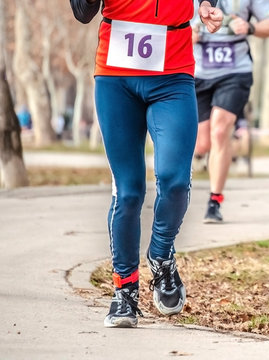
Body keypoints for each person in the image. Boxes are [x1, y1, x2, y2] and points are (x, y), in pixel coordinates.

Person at [70, 0, 223, 328]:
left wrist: (209, 5)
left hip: (172, 74)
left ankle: (161, 253)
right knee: (128, 193)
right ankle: (124, 292)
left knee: (174, 180)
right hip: (116, 78)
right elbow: (82, 13)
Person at [192, 0, 269, 223]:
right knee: (202, 144)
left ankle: (214, 201)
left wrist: (250, 28)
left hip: (235, 72)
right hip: (197, 73)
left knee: (220, 130)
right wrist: (186, 35)